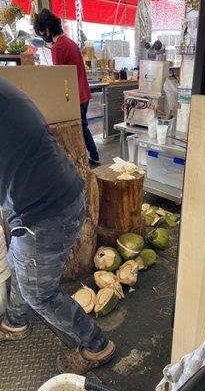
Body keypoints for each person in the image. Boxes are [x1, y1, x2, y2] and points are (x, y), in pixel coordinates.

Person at [0, 77, 115, 374]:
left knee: (40, 294)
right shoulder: (5, 89)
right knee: (17, 260)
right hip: (54, 196)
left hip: (46, 213)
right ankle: (15, 321)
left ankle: (98, 345)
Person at [34, 9, 100, 166]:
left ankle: (87, 158)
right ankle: (92, 155)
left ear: (47, 29)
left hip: (75, 96)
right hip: (83, 93)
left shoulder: (58, 47)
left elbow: (59, 77)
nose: (43, 35)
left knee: (78, 128)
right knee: (83, 126)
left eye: (42, 32)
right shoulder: (70, 43)